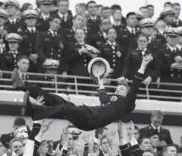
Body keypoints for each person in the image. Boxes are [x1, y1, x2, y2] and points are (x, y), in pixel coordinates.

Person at [21, 54, 152, 131]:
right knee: (59, 100)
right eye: (117, 88)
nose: (118, 88)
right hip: (87, 118)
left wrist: (143, 66)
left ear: (127, 93)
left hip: (92, 119)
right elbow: (103, 97)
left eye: (122, 88)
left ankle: (35, 112)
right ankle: (25, 86)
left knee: (65, 108)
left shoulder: (128, 103)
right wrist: (100, 84)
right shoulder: (111, 101)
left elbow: (135, 86)